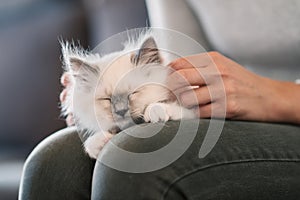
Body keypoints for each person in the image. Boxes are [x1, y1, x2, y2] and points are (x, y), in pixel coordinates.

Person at [19, 1, 300, 200]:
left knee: (135, 160)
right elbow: (175, 65)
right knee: (52, 163)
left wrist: (272, 94)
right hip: (230, 115)